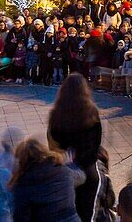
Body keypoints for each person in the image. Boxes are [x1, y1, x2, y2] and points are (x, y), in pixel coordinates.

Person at [48, 73, 104, 222]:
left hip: (65, 169)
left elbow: (53, 142)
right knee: (87, 213)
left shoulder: (55, 114)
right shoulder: (91, 112)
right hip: (88, 169)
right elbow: (96, 143)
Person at [10, 137, 86, 222]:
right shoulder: (63, 171)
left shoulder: (22, 185)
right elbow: (82, 177)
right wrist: (70, 164)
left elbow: (21, 217)